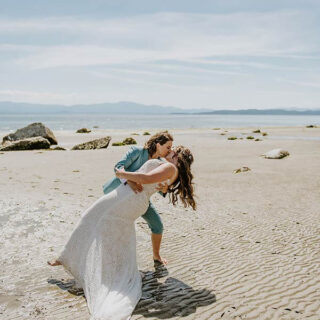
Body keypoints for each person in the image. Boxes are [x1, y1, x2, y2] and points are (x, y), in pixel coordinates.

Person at [48, 146, 196, 320]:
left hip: (129, 198)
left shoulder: (171, 168)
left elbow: (144, 178)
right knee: (113, 232)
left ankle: (68, 257)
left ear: (178, 157)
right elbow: (159, 186)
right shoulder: (173, 171)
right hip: (132, 198)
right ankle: (103, 268)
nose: (170, 151)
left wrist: (122, 174)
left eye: (173, 151)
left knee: (89, 218)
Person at [102, 131, 173, 265]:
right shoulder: (138, 151)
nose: (170, 151)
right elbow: (118, 167)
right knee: (113, 226)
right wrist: (130, 181)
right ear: (158, 144)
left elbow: (156, 186)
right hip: (118, 194)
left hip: (140, 199)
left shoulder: (160, 163)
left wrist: (164, 189)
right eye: (168, 147)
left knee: (157, 225)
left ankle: (156, 256)